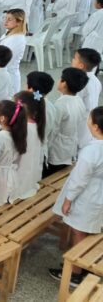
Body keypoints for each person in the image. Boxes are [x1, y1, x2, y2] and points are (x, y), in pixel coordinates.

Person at [49, 107, 103, 285]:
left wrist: (68, 200)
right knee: (87, 229)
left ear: (95, 127)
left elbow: (79, 180)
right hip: (98, 196)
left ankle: (75, 273)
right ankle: (83, 265)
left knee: (79, 232)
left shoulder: (91, 151)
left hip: (85, 197)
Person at [0, 9, 27, 95]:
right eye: (5, 18)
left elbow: (6, 59)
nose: (5, 21)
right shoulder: (8, 33)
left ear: (19, 22)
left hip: (9, 77)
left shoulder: (18, 39)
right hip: (1, 73)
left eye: (9, 19)